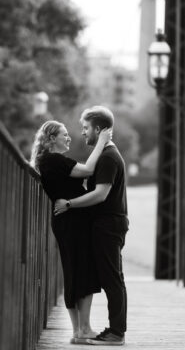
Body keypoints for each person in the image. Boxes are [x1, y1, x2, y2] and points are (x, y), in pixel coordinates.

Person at [29, 120, 112, 344]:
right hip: (74, 221)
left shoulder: (47, 161)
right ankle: (83, 330)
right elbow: (88, 170)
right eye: (64, 134)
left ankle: (78, 331)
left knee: (73, 272)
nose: (69, 138)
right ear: (51, 138)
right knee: (83, 270)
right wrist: (101, 143)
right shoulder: (54, 160)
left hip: (66, 221)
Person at [54, 106, 128, 346]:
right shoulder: (106, 153)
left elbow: (100, 195)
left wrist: (69, 204)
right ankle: (115, 330)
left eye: (86, 128)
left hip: (108, 225)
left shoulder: (107, 157)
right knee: (111, 277)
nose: (83, 133)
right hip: (108, 224)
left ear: (98, 129)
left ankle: (117, 333)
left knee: (112, 278)